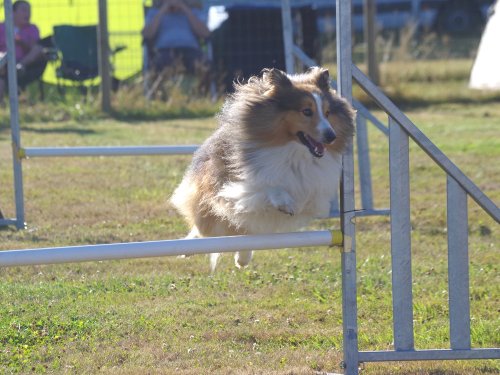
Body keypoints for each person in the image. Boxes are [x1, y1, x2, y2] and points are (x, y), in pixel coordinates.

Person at [142, 0, 211, 80]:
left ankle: (203, 91)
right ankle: (161, 91)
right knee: (157, 65)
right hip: (164, 51)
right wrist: (163, 10)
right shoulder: (154, 13)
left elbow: (206, 34)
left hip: (191, 51)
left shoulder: (194, 12)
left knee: (205, 65)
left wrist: (185, 9)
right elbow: (147, 34)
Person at [0, 0, 47, 103]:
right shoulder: (1, 28)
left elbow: (33, 47)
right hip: (4, 62)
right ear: (12, 12)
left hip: (26, 62)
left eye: (29, 11)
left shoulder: (32, 29)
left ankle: (19, 67)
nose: (28, 14)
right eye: (24, 10)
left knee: (38, 49)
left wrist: (21, 42)